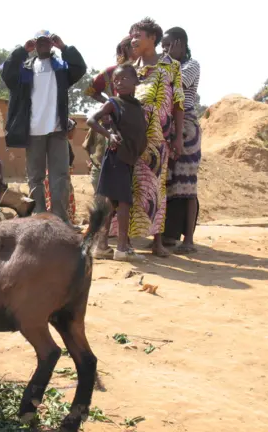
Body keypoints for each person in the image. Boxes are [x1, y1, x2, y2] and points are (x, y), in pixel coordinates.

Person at [107, 17, 185, 258]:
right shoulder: (131, 67)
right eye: (131, 35)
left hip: (157, 138)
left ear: (152, 38)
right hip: (130, 138)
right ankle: (124, 241)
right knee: (127, 188)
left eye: (137, 35)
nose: (133, 39)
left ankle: (157, 242)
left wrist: (178, 136)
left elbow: (178, 103)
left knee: (156, 189)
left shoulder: (171, 66)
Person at [0, 30, 87, 224]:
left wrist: (64, 47)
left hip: (57, 130)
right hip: (33, 131)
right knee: (35, 177)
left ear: (52, 44)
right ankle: (38, 219)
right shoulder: (25, 67)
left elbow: (80, 67)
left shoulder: (62, 68)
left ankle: (59, 220)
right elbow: (6, 73)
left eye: (47, 41)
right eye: (39, 41)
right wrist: (22, 50)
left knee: (60, 177)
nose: (43, 44)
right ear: (34, 44)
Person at [87, 64, 147, 261]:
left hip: (128, 159)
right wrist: (109, 135)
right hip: (116, 158)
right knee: (123, 202)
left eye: (124, 79)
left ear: (136, 82)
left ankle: (101, 247)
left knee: (111, 203)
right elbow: (91, 120)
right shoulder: (114, 103)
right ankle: (121, 248)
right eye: (116, 80)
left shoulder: (137, 106)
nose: (119, 83)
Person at [161, 27, 201, 254]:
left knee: (187, 185)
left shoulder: (191, 65)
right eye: (163, 46)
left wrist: (166, 60)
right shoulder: (167, 65)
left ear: (181, 44)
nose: (165, 50)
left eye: (168, 45)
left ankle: (189, 240)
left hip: (186, 127)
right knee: (169, 183)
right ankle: (169, 235)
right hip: (168, 125)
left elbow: (176, 85)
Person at [83, 36, 136, 191]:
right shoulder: (111, 72)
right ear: (125, 49)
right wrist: (109, 104)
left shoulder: (145, 70)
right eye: (133, 46)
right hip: (114, 127)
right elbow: (91, 90)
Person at [44, 118, 78, 225]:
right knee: (61, 198)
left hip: (57, 175)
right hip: (57, 176)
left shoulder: (64, 143)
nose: (75, 132)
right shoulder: (61, 144)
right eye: (73, 129)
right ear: (68, 129)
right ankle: (59, 223)